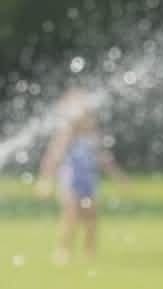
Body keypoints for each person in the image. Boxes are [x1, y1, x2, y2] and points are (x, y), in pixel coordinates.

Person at [36, 89, 125, 264]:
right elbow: (54, 157)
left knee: (91, 216)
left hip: (89, 181)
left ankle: (89, 250)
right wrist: (45, 180)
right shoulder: (67, 134)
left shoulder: (93, 135)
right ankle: (63, 250)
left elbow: (104, 158)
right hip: (70, 180)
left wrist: (117, 176)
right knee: (71, 215)